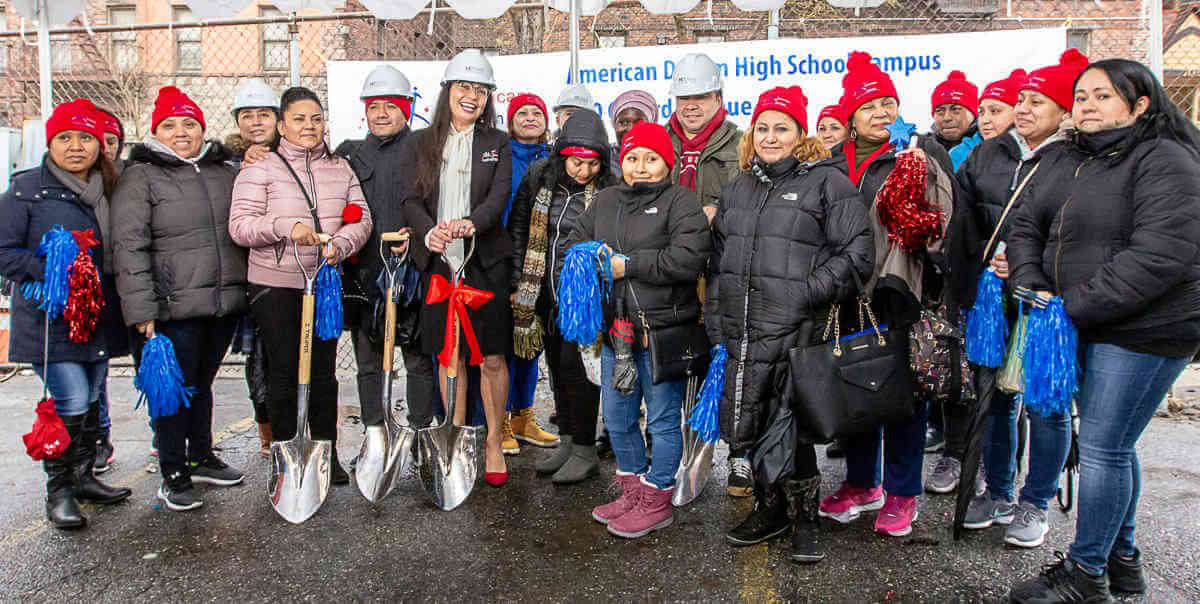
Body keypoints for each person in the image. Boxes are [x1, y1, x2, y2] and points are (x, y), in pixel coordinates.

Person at [1006, 58, 1200, 603]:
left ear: (1140, 105)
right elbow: (1026, 226)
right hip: (1080, 319)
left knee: (1103, 448)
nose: (1089, 106)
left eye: (1103, 96)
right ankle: (1122, 559)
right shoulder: (1067, 157)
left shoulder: (1166, 160)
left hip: (1144, 329)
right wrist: (1029, 280)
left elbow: (1160, 255)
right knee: (1113, 446)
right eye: (1083, 96)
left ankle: (1085, 574)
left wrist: (1072, 305)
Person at [711, 87, 873, 562]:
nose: (770, 136)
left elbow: (858, 256)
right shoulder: (740, 186)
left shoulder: (827, 184)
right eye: (762, 127)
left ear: (801, 133)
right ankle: (770, 507)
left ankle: (806, 519)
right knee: (755, 421)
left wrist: (804, 292)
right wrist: (720, 320)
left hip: (801, 330)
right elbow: (721, 258)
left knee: (793, 427)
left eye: (782, 127)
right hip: (747, 328)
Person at [819, 51, 972, 538]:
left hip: (900, 294)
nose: (881, 113)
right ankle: (863, 483)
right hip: (846, 296)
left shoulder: (919, 153)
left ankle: (903, 491)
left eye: (888, 103)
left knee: (903, 396)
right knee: (856, 390)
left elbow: (942, 225)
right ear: (851, 118)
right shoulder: (830, 165)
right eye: (869, 107)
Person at [957, 52, 1086, 546]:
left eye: (1038, 101)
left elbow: (1082, 228)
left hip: (1045, 298)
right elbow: (965, 220)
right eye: (1021, 100)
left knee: (1046, 404)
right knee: (996, 399)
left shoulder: (1077, 157)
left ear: (1063, 110)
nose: (1024, 109)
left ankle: (1036, 502)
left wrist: (1031, 262)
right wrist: (973, 270)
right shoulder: (991, 152)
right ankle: (999, 491)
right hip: (992, 296)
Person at [110, 86, 249, 512]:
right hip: (170, 308)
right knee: (171, 390)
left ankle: (200, 454)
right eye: (170, 125)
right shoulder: (141, 176)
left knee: (201, 384)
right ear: (156, 132)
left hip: (221, 303)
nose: (181, 132)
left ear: (202, 128)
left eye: (189, 123)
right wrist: (142, 310)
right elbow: (128, 246)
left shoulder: (223, 170)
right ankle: (173, 472)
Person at [570, 121, 710, 538]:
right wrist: (589, 260)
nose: (641, 167)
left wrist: (627, 265)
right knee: (617, 417)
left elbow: (687, 259)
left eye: (651, 158)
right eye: (633, 158)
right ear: (622, 161)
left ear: (667, 162)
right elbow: (574, 242)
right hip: (617, 334)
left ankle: (658, 496)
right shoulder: (606, 200)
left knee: (663, 420)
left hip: (662, 332)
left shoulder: (680, 202)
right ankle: (632, 487)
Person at [229, 86, 372, 489]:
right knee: (284, 371)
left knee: (324, 372)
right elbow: (239, 226)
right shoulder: (261, 168)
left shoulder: (339, 167)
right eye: (298, 119)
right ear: (281, 125)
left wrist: (340, 245)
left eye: (316, 118)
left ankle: (325, 452)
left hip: (323, 282)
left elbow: (360, 219)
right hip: (276, 284)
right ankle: (287, 452)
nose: (309, 127)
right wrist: (284, 229)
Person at [0, 98, 131, 529]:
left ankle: (84, 477)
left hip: (95, 315)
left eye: (86, 138)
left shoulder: (109, 186)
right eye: (65, 138)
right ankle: (58, 493)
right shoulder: (25, 189)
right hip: (49, 317)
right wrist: (55, 269)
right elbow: (4, 253)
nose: (76, 147)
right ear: (50, 142)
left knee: (92, 396)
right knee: (70, 397)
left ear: (100, 144)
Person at [398, 50, 514, 487]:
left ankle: (493, 442)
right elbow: (410, 199)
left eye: (480, 90)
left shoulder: (496, 143)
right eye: (464, 87)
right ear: (448, 91)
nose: (472, 97)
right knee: (451, 355)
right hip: (440, 263)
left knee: (492, 355)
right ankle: (458, 435)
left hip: (483, 261)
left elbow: (498, 198)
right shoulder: (420, 143)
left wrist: (472, 223)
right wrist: (428, 233)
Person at [508, 110, 616, 484]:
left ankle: (585, 449)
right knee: (556, 369)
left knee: (580, 374)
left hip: (584, 302)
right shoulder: (539, 177)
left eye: (591, 164)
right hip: (543, 293)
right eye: (575, 162)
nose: (583, 171)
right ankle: (568, 442)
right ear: (561, 156)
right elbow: (520, 228)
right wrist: (516, 282)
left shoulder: (609, 189)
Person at [332, 65, 438, 443]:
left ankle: (421, 433)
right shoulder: (349, 154)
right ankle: (376, 434)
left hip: (413, 273)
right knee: (369, 363)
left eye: (390, 106)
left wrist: (420, 231)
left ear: (406, 108)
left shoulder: (425, 147)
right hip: (365, 275)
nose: (381, 113)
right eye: (374, 106)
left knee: (419, 359)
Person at [500, 92, 559, 455]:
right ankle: (503, 417)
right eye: (521, 112)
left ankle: (524, 415)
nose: (529, 118)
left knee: (529, 343)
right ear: (510, 120)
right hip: (506, 258)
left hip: (539, 262)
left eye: (536, 111)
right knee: (506, 343)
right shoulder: (500, 156)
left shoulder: (554, 159)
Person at [225, 77, 279, 458]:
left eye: (264, 114)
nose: (256, 122)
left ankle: (300, 426)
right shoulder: (223, 163)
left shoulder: (297, 156)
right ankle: (267, 434)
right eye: (247, 115)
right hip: (246, 275)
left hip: (289, 271)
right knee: (258, 361)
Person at [89, 105, 129, 473]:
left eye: (111, 141)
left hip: (122, 282)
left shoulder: (129, 177)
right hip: (85, 288)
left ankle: (160, 435)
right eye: (96, 140)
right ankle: (98, 438)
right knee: (91, 366)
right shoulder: (59, 185)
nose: (104, 148)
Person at [667, 53, 742, 224]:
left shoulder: (742, 144)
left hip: (718, 246)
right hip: (668, 244)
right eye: (684, 98)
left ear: (719, 99)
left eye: (701, 97)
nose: (691, 105)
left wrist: (720, 209)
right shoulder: (658, 141)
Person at [608, 90, 658, 179]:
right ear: (614, 125)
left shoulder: (661, 161)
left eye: (639, 123)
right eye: (623, 123)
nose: (630, 129)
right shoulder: (604, 161)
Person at [929, 70, 979, 152]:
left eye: (955, 110)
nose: (947, 118)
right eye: (940, 111)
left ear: (973, 114)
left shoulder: (989, 147)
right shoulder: (923, 149)